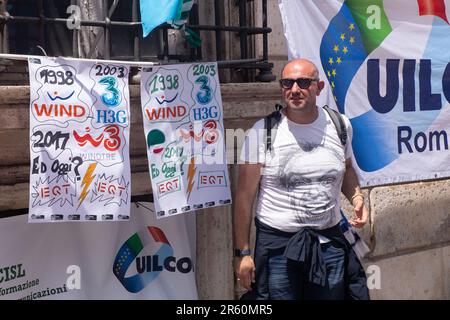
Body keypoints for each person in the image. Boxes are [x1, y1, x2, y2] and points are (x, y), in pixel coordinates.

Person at [233, 58, 369, 300]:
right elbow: (244, 198)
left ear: (319, 87)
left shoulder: (340, 125)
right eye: (287, 83)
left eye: (303, 82)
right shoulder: (261, 132)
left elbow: (347, 168)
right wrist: (242, 253)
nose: (294, 90)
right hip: (278, 250)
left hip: (329, 244)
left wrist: (356, 196)